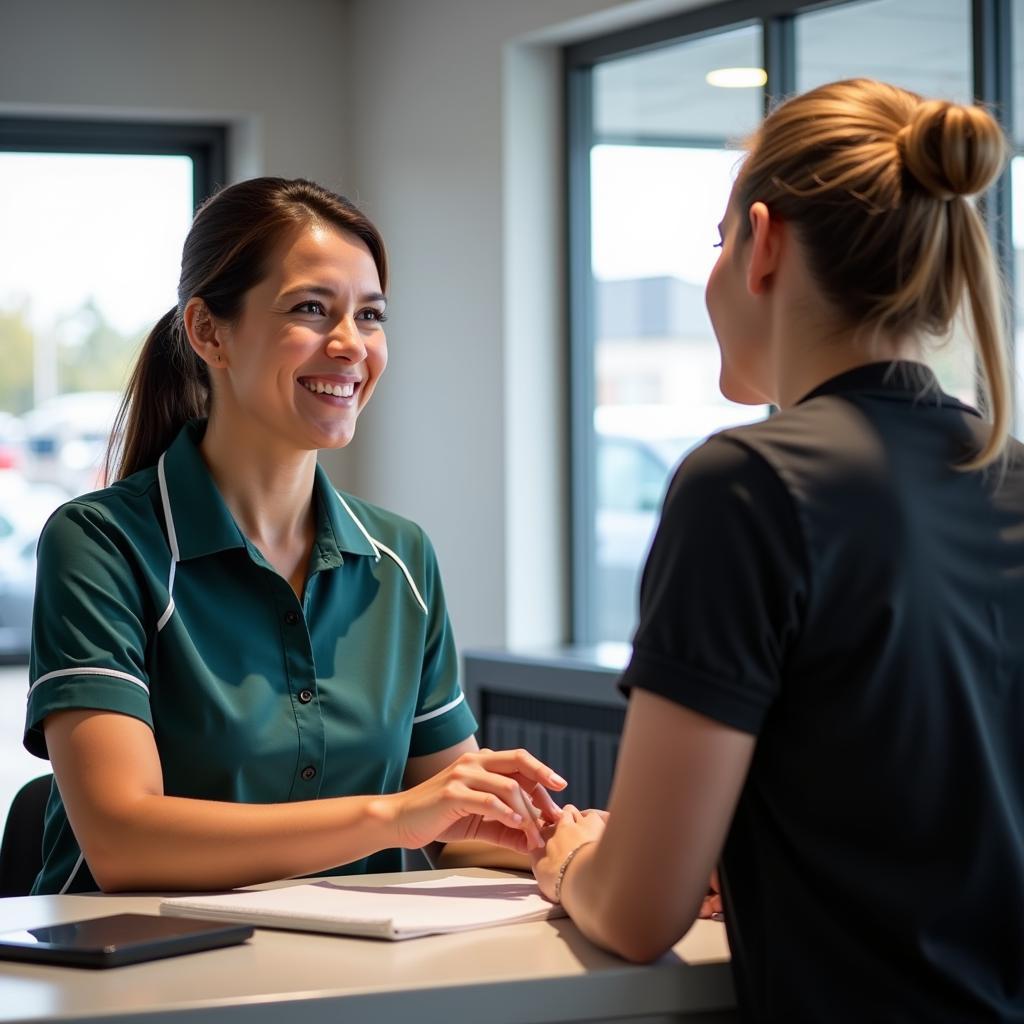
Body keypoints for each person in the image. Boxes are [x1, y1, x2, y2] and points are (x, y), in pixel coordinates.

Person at [531, 79, 1024, 1021]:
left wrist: (575, 860)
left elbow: (638, 916)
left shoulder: (747, 485)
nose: (714, 272)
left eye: (717, 243)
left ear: (765, 243)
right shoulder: (1010, 476)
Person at [24, 177, 565, 895]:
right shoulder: (101, 544)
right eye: (312, 309)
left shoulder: (402, 558)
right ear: (208, 331)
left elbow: (452, 827)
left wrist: (586, 843)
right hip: (132, 985)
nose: (351, 345)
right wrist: (394, 816)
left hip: (342, 981)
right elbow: (124, 841)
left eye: (370, 316)